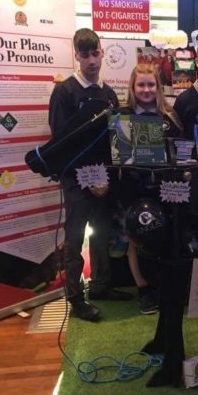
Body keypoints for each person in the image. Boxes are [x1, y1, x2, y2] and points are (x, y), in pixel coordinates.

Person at [48, 28, 132, 322]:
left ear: (102, 52)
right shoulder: (65, 91)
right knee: (74, 239)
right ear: (77, 56)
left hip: (104, 180)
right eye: (85, 55)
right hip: (76, 180)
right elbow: (60, 142)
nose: (91, 60)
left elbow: (115, 141)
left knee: (102, 234)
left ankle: (100, 285)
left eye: (95, 53)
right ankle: (75, 298)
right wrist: (88, 177)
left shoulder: (108, 93)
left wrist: (106, 177)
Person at [116, 63, 184, 314]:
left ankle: (164, 286)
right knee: (136, 238)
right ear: (133, 87)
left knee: (165, 235)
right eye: (141, 84)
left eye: (151, 84)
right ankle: (143, 289)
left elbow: (180, 151)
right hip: (133, 187)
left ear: (158, 87)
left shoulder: (169, 117)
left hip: (164, 188)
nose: (146, 89)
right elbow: (116, 157)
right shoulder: (122, 116)